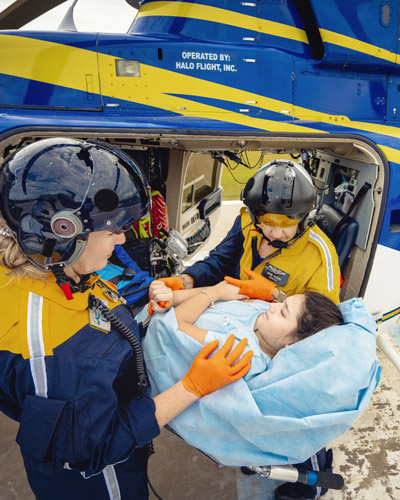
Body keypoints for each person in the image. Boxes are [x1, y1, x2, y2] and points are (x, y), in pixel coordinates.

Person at [0, 138, 253, 500]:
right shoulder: (55, 353)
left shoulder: (52, 269)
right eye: (111, 230)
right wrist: (191, 388)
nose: (121, 240)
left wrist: (137, 319)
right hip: (101, 485)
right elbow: (92, 450)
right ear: (64, 232)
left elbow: (90, 318)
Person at [179, 159, 341, 305]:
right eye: (267, 222)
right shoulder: (246, 223)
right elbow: (219, 262)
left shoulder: (321, 254)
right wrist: (186, 280)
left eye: (286, 224)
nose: (276, 233)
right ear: (255, 217)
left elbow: (324, 317)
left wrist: (277, 296)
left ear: (305, 219)